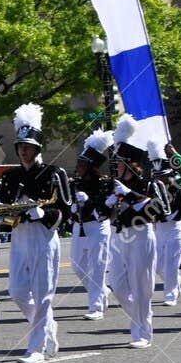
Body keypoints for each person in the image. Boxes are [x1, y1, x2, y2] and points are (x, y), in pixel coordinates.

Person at [0, 104, 71, 363]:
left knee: (43, 294)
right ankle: (47, 326)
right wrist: (9, 213)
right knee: (17, 291)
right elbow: (5, 213)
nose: (23, 150)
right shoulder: (11, 176)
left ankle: (36, 347)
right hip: (20, 236)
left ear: (38, 148)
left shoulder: (54, 173)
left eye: (28, 146)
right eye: (20, 146)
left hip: (43, 236)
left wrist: (45, 215)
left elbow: (66, 209)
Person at [110, 115, 168, 349]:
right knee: (118, 284)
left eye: (121, 163)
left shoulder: (150, 185)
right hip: (120, 235)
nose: (117, 166)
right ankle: (140, 316)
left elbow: (160, 209)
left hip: (142, 233)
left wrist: (131, 196)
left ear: (132, 164)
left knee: (141, 284)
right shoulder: (114, 184)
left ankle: (142, 332)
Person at [69, 130, 114, 320]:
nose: (78, 167)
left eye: (82, 164)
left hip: (98, 226)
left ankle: (96, 306)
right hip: (79, 226)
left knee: (97, 266)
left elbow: (106, 210)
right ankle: (102, 290)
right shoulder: (75, 183)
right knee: (77, 266)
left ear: (90, 166)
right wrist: (71, 207)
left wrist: (88, 202)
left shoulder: (105, 184)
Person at [149, 139, 181, 306]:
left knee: (172, 263)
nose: (161, 179)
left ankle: (171, 295)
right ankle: (175, 280)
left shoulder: (178, 188)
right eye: (158, 176)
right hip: (159, 229)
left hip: (174, 227)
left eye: (163, 176)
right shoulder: (154, 190)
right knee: (157, 265)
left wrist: (170, 215)